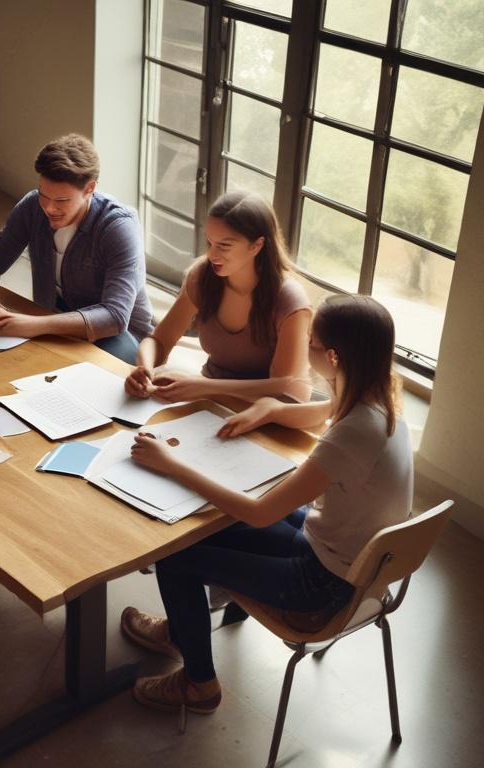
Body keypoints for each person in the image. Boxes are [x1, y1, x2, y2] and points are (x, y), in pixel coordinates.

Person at [121, 295, 412, 718]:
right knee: (215, 524)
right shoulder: (382, 404)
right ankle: (183, 629)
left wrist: (173, 465)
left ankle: (199, 684)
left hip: (323, 586)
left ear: (332, 356)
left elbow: (260, 514)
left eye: (312, 342)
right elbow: (320, 415)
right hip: (348, 560)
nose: (306, 347)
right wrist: (271, 411)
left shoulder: (353, 434)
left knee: (176, 556)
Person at [0, 133, 153, 364]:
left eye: (62, 201)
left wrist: (33, 325)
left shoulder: (118, 227)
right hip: (55, 320)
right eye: (44, 195)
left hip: (122, 338)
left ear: (89, 189)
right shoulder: (33, 207)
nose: (49, 208)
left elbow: (114, 317)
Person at [125, 190, 312, 404]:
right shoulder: (204, 277)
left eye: (224, 246)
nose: (212, 255)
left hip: (275, 414)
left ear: (257, 245)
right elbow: (158, 340)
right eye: (210, 243)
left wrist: (202, 387)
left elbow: (281, 385)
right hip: (212, 400)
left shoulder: (289, 301)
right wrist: (144, 368)